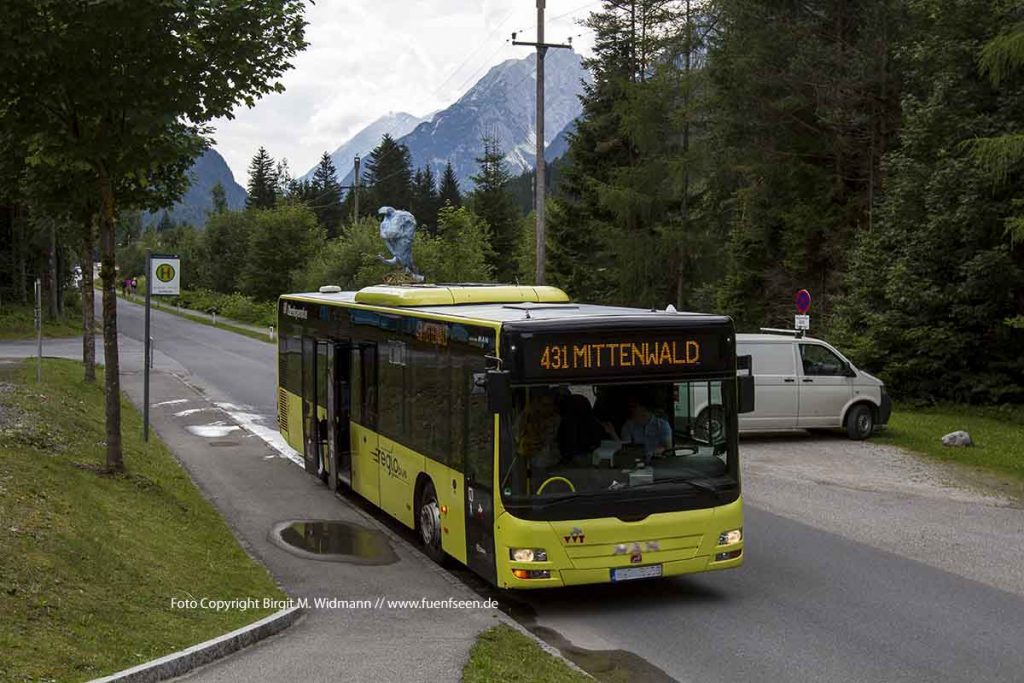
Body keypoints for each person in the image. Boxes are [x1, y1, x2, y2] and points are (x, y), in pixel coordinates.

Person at [608, 396, 672, 465]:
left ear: (644, 410)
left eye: (634, 407)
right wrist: (612, 433)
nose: (631, 411)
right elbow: (625, 448)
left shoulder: (662, 425)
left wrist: (657, 451)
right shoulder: (628, 426)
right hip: (636, 465)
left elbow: (669, 449)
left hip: (659, 465)